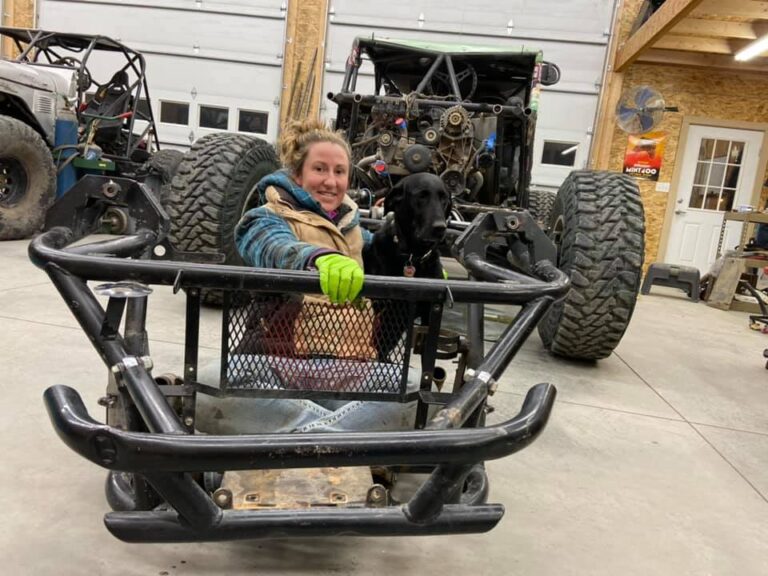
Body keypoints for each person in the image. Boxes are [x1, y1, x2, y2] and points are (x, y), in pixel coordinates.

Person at [194, 118, 419, 434]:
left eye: (339, 171)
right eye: (320, 169)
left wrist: (417, 262)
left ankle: (300, 436)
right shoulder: (265, 218)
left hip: (351, 371)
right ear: (297, 175)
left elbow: (389, 253)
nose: (331, 181)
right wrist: (319, 258)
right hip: (276, 366)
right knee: (207, 383)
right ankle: (339, 439)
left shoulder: (355, 230)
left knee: (410, 387)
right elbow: (271, 246)